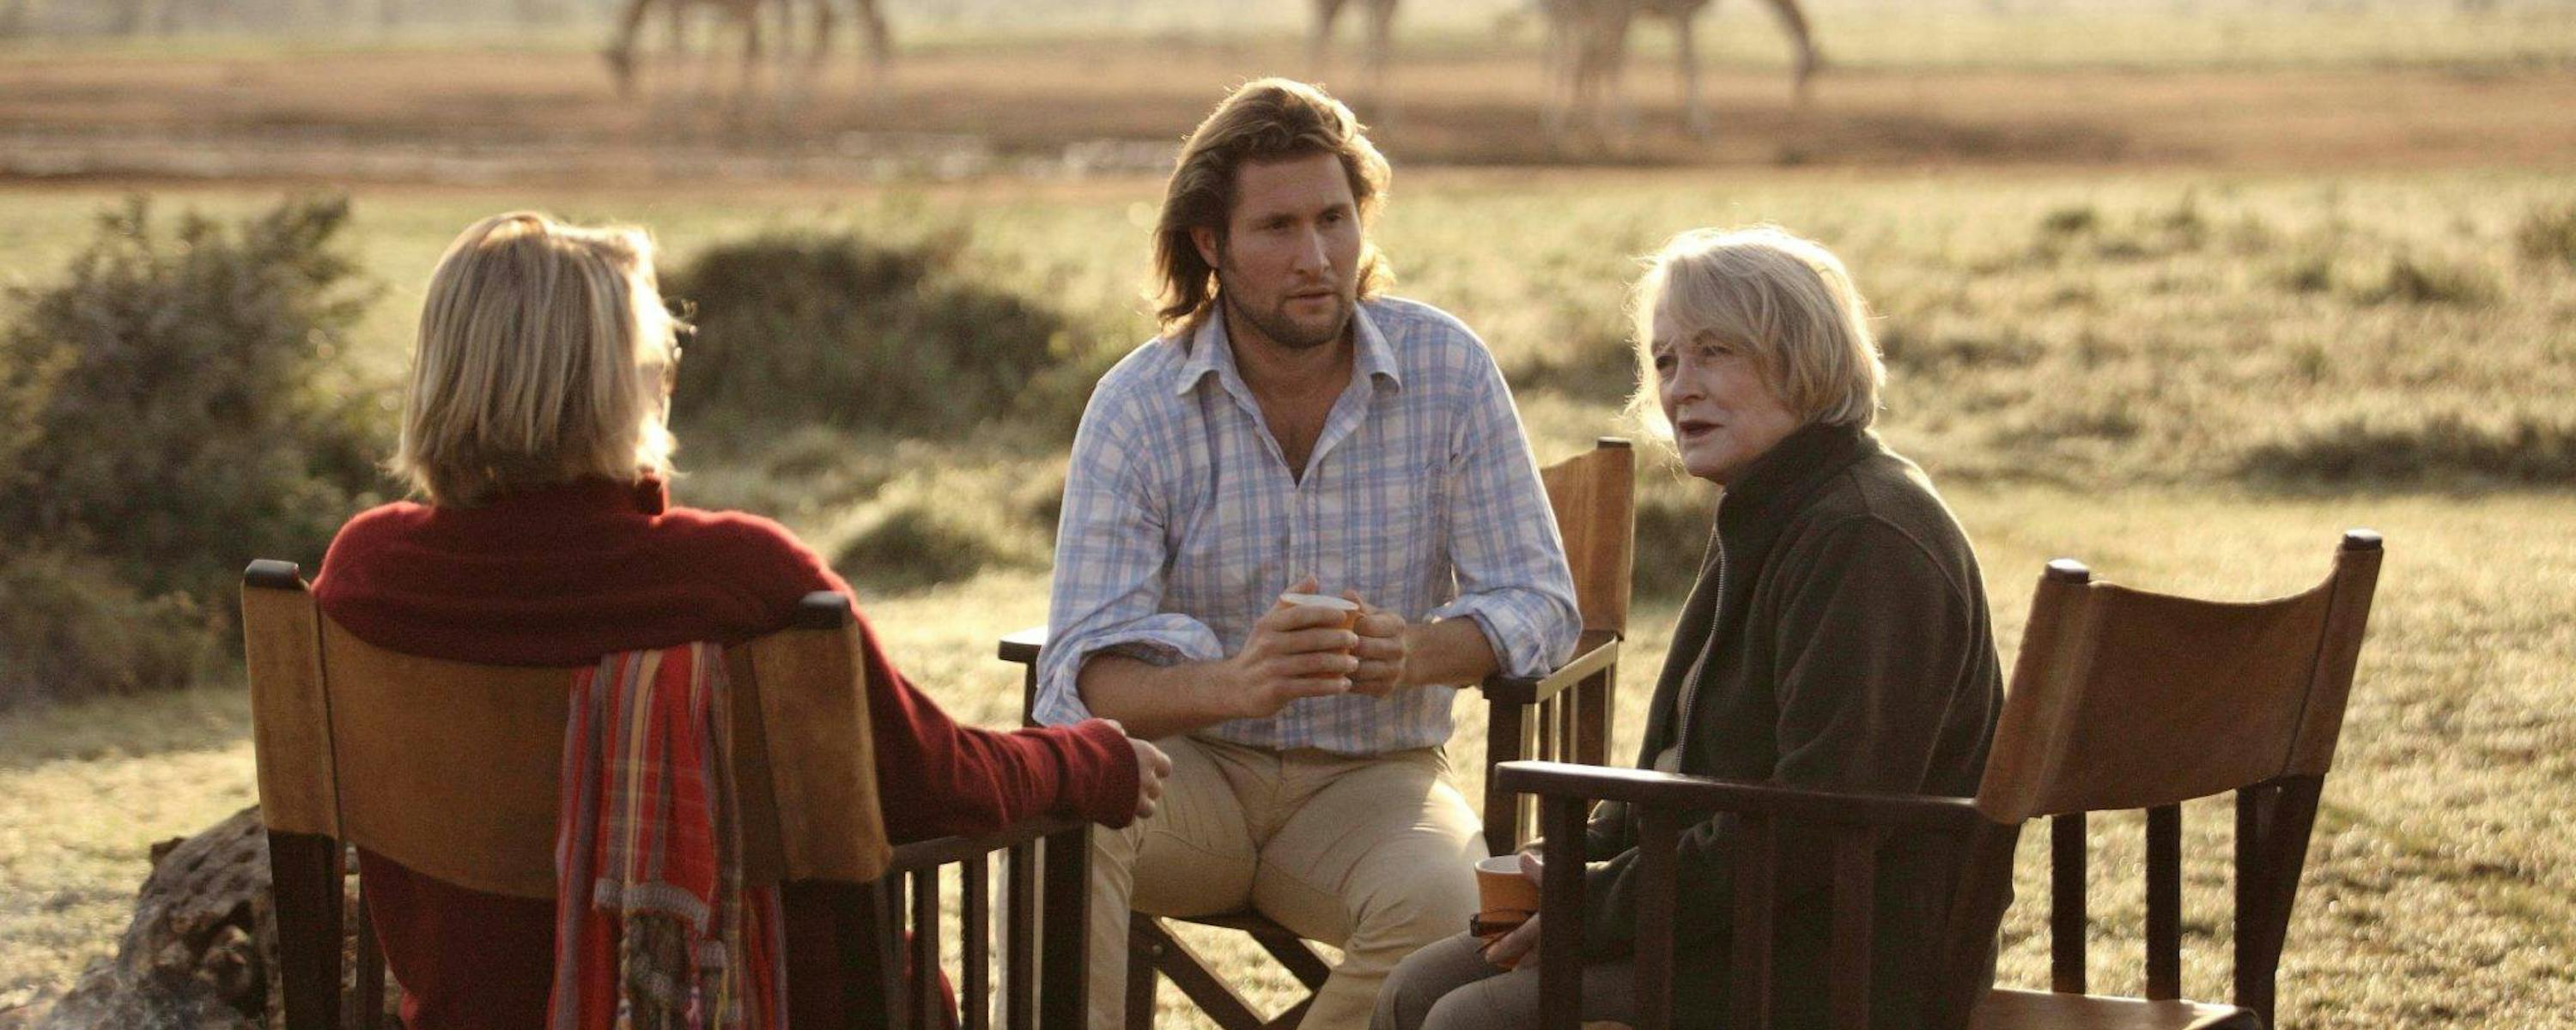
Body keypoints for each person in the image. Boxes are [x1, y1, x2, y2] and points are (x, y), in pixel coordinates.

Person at [312, 212, 1174, 1030]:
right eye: (655, 356)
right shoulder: (735, 579)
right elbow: (933, 782)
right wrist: (1088, 758)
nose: (667, 378)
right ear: (615, 387)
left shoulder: (365, 575)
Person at [1033, 78, 1583, 1029]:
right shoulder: (1137, 407)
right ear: (1212, 243)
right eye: (1278, 228)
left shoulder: (1447, 369)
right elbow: (1081, 675)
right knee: (1069, 822)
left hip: (1377, 782)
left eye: (1335, 219)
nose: (1316, 258)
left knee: (1451, 908)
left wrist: (1417, 651)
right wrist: (1235, 682)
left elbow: (1540, 601)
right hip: (1192, 772)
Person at [1373, 226, 2006, 1030]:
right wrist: (1576, 867)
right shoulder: (1768, 506)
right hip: (1729, 919)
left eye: (1715, 353)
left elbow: (1816, 822)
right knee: (1416, 986)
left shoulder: (1865, 536)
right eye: (1666, 360)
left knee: (1473, 1019)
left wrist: (1597, 902)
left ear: (1803, 356)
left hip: (1835, 960)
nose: (1680, 388)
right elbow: (1685, 774)